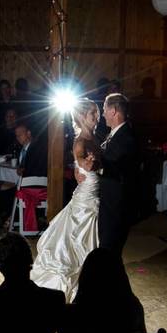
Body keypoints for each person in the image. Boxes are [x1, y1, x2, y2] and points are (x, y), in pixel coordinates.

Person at [30, 99, 102, 301]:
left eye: (97, 113)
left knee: (89, 242)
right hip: (85, 199)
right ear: (81, 116)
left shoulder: (95, 138)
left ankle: (88, 278)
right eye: (92, 114)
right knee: (76, 242)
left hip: (94, 196)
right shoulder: (80, 141)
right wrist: (85, 165)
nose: (97, 118)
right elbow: (81, 160)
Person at [95, 93, 139, 254]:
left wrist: (95, 165)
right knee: (108, 253)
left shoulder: (126, 138)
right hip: (108, 204)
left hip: (116, 207)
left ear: (114, 111)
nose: (103, 113)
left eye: (105, 108)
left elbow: (119, 169)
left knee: (110, 252)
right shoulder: (115, 134)